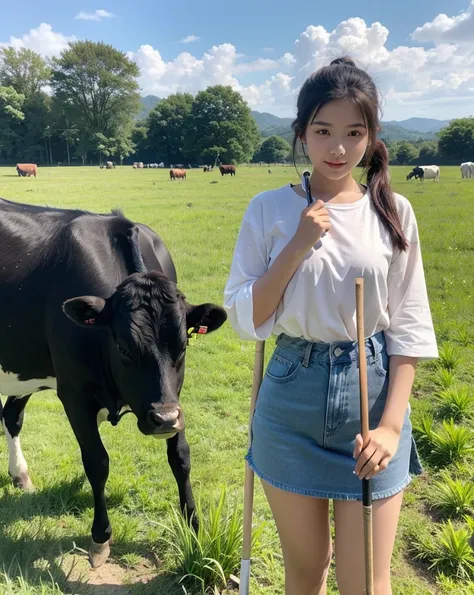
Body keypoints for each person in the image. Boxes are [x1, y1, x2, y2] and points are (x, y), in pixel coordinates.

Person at [223, 57, 438, 595]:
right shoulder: (269, 210)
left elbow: (408, 327)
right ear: (301, 134)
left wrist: (391, 427)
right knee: (306, 571)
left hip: (372, 392)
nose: (337, 148)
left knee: (366, 580)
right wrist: (296, 247)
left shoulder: (393, 212)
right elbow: (248, 321)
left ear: (372, 136)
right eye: (323, 131)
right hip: (292, 393)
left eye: (353, 132)